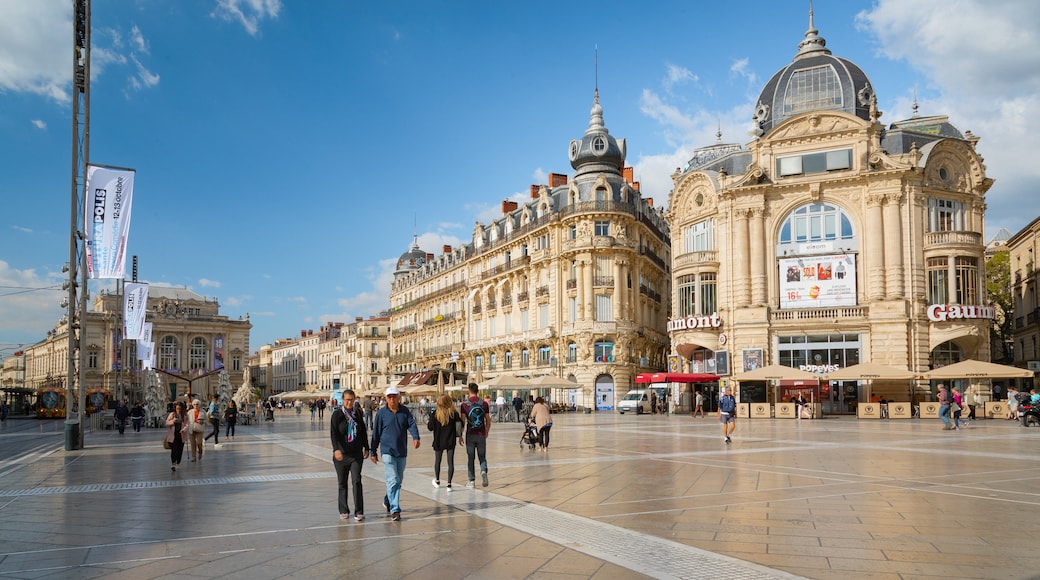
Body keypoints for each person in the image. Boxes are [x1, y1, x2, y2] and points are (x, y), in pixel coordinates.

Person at [369, 386, 419, 521]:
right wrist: (372, 451)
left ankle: (387, 499)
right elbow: (376, 433)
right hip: (387, 451)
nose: (392, 399)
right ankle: (395, 509)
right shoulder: (381, 413)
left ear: (399, 398)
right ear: (386, 399)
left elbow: (412, 424)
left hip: (401, 451)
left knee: (398, 480)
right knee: (393, 479)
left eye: (394, 397)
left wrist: (416, 437)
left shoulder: (405, 411)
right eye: (389, 397)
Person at [331, 389, 369, 522]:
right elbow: (334, 433)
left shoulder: (357, 413)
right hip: (341, 454)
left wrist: (367, 447)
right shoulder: (337, 414)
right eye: (347, 400)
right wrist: (336, 449)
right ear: (342, 400)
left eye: (351, 400)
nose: (349, 402)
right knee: (342, 483)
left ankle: (359, 511)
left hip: (356, 454)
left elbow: (363, 431)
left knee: (356, 481)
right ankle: (343, 510)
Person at [428, 394, 463, 491]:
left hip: (438, 441)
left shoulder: (435, 414)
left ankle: (438, 480)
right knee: (450, 462)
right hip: (450, 441)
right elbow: (459, 425)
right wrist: (460, 436)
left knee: (437, 461)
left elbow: (430, 427)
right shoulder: (454, 414)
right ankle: (449, 484)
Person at [461, 382, 491, 488]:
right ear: (477, 391)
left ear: (469, 391)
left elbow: (463, 421)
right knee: (482, 456)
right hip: (481, 433)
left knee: (471, 458)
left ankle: (471, 481)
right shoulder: (484, 404)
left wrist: (460, 435)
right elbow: (488, 419)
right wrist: (486, 431)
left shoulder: (464, 404)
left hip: (470, 434)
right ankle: (483, 471)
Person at [165, 401, 188, 471]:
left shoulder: (185, 415)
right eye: (177, 408)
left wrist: (184, 429)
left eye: (180, 408)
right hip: (173, 435)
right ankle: (173, 463)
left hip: (181, 435)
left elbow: (187, 424)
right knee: (174, 450)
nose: (178, 410)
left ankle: (178, 462)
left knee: (179, 450)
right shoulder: (172, 414)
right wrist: (172, 421)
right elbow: (166, 422)